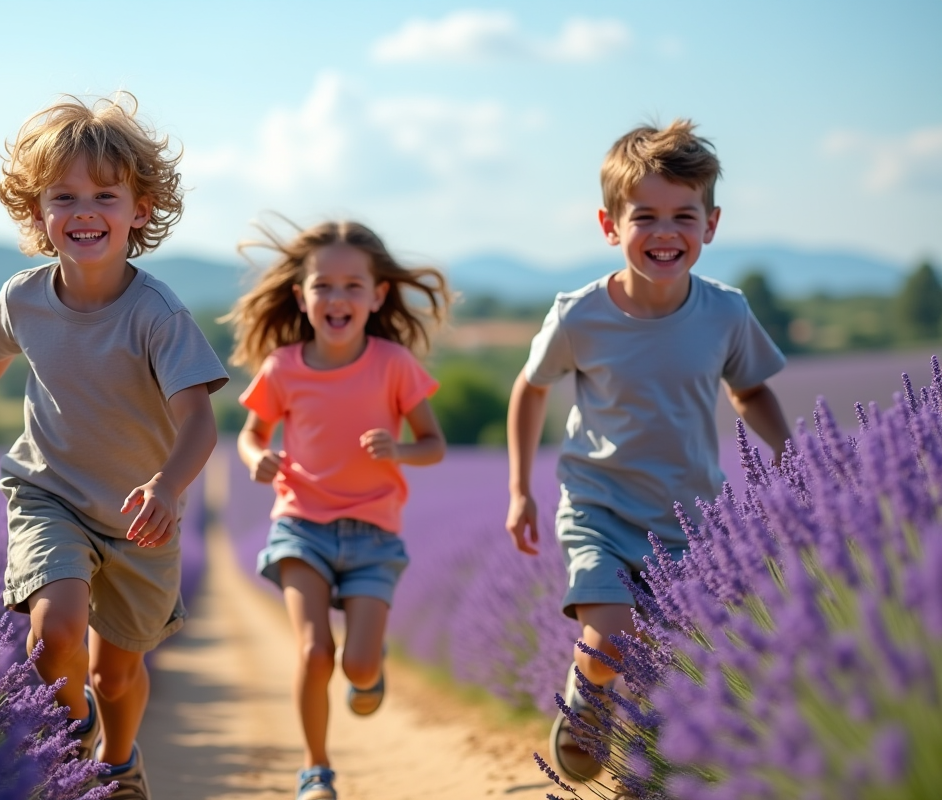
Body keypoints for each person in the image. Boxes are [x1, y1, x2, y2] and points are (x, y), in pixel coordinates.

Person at [0, 93, 228, 799]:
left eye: (104, 195)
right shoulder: (24, 298)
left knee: (115, 673)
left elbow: (198, 419)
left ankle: (119, 763)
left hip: (140, 515)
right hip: (50, 494)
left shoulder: (158, 315)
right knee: (52, 637)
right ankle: (73, 734)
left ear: (141, 210)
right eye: (63, 196)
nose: (83, 211)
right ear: (37, 213)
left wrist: (166, 486)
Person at [504, 120, 793, 783]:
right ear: (610, 226)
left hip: (690, 517)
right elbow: (530, 389)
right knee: (609, 640)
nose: (666, 232)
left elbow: (751, 391)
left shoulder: (726, 313)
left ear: (710, 224)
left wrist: (791, 456)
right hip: (599, 509)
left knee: (675, 663)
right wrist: (519, 489)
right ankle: (589, 696)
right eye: (645, 217)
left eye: (683, 216)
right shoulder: (579, 314)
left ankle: (651, 771)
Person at [225, 220, 451, 800]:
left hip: (374, 531)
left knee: (358, 665)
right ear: (301, 297)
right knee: (313, 651)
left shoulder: (393, 364)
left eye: (353, 285)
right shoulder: (283, 367)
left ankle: (369, 674)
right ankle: (315, 770)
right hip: (301, 526)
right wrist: (255, 458)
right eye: (323, 285)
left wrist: (399, 450)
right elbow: (251, 434)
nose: (337, 297)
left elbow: (433, 444)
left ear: (377, 296)